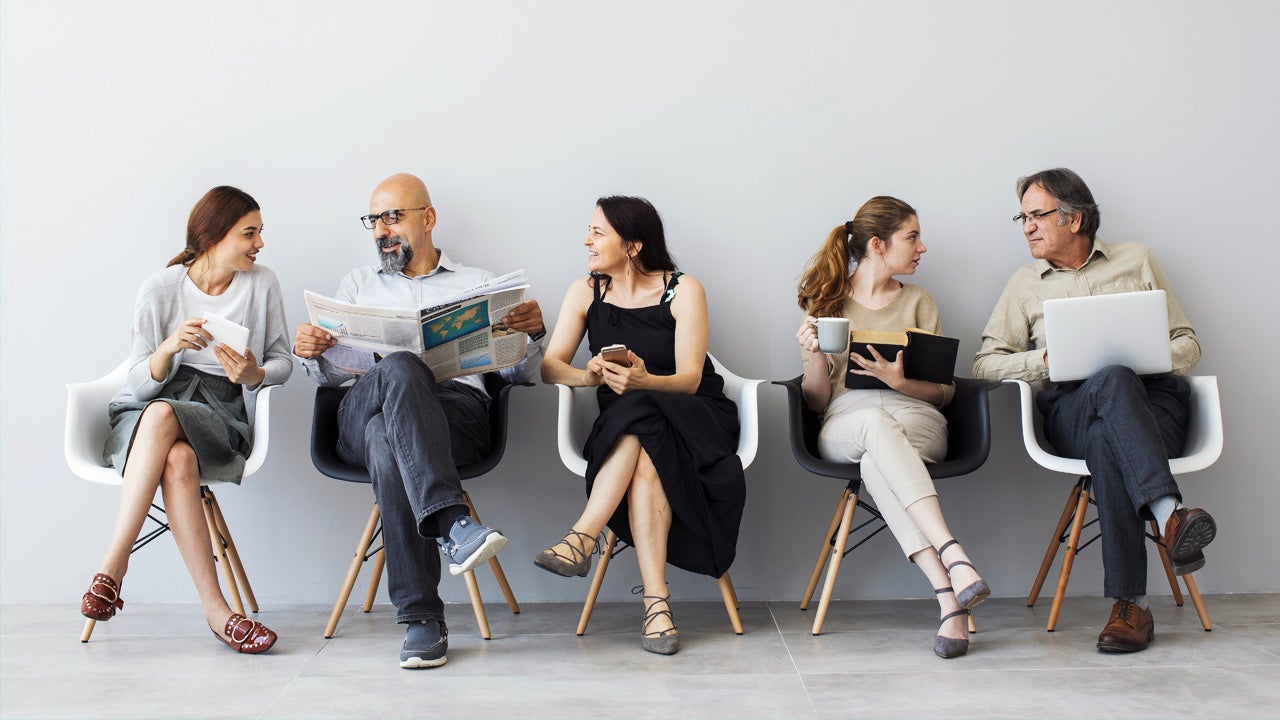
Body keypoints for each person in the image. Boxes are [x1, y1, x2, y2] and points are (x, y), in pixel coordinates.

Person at [294, 173, 547, 669]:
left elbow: (521, 372)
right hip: (358, 410)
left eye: (393, 216)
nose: (381, 230)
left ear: (427, 219)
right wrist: (314, 355)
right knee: (401, 368)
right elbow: (332, 375)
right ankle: (454, 524)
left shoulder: (477, 284)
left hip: (455, 414)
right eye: (374, 220)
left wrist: (534, 334)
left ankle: (421, 619)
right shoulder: (356, 285)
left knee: (388, 441)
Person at [973, 167, 1217, 653]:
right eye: (1021, 217)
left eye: (1037, 215)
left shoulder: (1137, 260)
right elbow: (984, 365)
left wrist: (1143, 353)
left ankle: (1131, 606)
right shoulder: (1024, 284)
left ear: (1076, 218)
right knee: (1109, 386)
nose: (1027, 227)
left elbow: (1187, 342)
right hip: (1071, 411)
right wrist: (1044, 360)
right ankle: (1170, 515)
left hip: (1154, 407)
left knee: (1112, 432)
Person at [86, 186, 292, 654]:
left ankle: (112, 567)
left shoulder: (262, 284)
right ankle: (218, 613)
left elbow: (284, 361)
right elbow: (139, 386)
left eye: (259, 233)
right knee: (176, 457)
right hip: (148, 409)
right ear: (214, 236)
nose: (259, 244)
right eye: (250, 233)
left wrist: (254, 373)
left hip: (220, 413)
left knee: (166, 423)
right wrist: (169, 347)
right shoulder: (160, 288)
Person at [536, 196, 745, 656]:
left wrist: (645, 380)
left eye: (598, 232)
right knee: (644, 440)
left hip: (696, 416)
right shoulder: (584, 292)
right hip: (627, 427)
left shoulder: (683, 289)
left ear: (632, 245)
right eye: (588, 230)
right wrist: (586, 376)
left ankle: (582, 537)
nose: (586, 240)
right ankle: (657, 608)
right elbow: (551, 367)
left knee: (643, 406)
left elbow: (690, 379)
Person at [795, 196, 989, 659]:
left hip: (917, 420)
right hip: (847, 420)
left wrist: (900, 382)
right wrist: (815, 354)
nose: (922, 247)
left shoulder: (920, 301)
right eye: (913, 237)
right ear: (879, 245)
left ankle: (948, 598)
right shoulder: (826, 302)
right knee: (872, 426)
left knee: (880, 461)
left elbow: (944, 393)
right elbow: (818, 401)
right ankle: (953, 555)